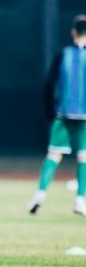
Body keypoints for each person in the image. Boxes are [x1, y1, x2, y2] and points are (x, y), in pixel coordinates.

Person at [28, 15, 86, 216]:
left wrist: (50, 112)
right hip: (84, 116)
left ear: (73, 32)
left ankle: (40, 193)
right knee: (83, 157)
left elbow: (47, 84)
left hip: (62, 113)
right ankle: (80, 200)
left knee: (54, 154)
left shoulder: (63, 54)